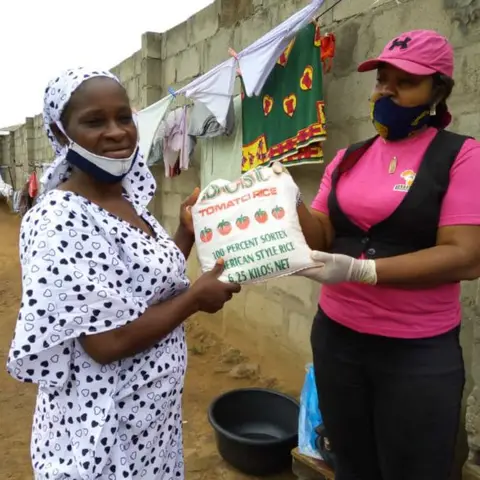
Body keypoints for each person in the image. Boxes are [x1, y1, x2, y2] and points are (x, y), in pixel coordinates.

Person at [6, 67, 240, 480]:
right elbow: (105, 341)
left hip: (150, 422)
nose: (117, 132)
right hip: (103, 430)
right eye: (95, 121)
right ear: (62, 134)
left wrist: (185, 233)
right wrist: (194, 300)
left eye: (124, 118)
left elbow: (144, 287)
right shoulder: (60, 219)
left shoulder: (125, 199)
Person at [296, 30, 480, 479]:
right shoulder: (348, 159)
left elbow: (465, 256)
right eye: (382, 80)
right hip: (337, 339)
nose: (387, 91)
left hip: (415, 351)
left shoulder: (461, 156)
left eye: (405, 82)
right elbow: (321, 233)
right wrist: (286, 203)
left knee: (416, 467)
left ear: (437, 91)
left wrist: (363, 270)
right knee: (352, 462)